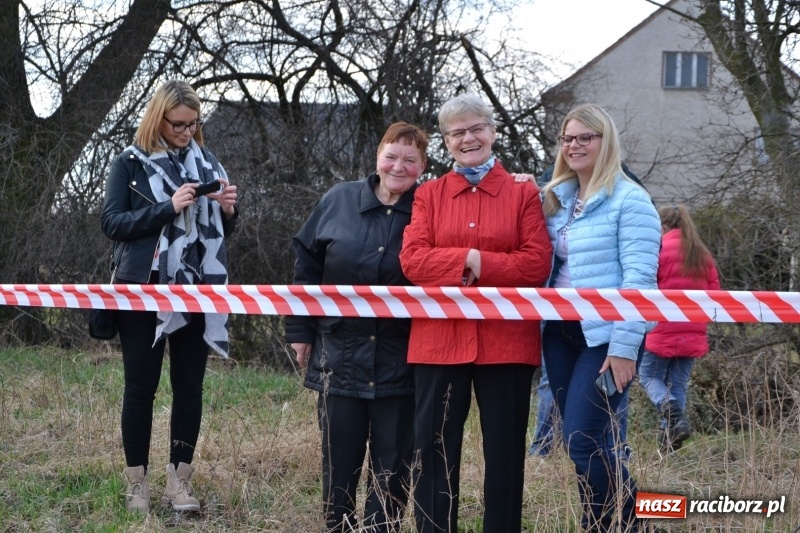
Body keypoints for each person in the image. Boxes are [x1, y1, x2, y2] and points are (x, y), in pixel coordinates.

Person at [399, 93, 553, 533]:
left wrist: (477, 263)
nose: (468, 138)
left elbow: (536, 264)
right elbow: (413, 261)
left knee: (504, 454)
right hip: (437, 343)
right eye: (457, 132)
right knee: (433, 453)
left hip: (506, 345)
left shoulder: (523, 192)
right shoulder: (429, 194)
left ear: (492, 131)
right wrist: (468, 259)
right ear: (446, 142)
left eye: (476, 128)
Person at [100, 80, 239, 513]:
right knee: (141, 388)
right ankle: (136, 484)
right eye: (178, 123)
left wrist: (229, 210)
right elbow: (112, 222)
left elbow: (220, 232)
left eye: (193, 124)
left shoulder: (208, 160)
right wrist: (168, 207)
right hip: (143, 289)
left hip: (197, 289)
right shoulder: (130, 162)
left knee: (189, 388)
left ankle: (180, 483)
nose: (186, 131)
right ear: (157, 118)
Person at [285, 122, 429, 532]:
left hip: (401, 361)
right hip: (338, 355)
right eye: (391, 155)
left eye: (410, 159)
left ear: (423, 166)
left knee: (393, 469)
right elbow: (305, 268)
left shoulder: (428, 208)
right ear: (377, 155)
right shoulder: (338, 199)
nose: (398, 166)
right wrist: (298, 329)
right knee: (339, 463)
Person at [540, 103, 660, 532]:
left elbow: (641, 282)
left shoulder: (631, 200)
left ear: (605, 141)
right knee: (587, 443)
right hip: (559, 333)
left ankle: (639, 520)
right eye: (567, 138)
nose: (574, 145)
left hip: (606, 337)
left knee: (581, 438)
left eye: (584, 137)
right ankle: (598, 523)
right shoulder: (557, 199)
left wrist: (626, 348)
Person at [639, 204, 720, 452]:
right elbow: (716, 295)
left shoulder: (657, 250)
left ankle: (673, 417)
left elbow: (645, 289)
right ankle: (669, 444)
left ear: (661, 227)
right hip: (693, 332)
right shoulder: (702, 254)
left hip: (661, 330)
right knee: (678, 384)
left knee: (648, 376)